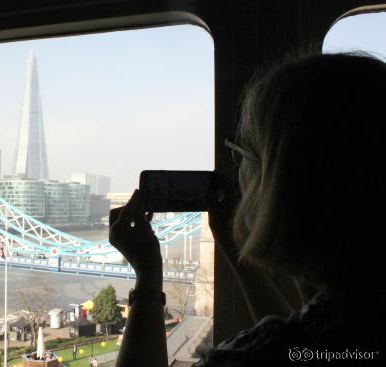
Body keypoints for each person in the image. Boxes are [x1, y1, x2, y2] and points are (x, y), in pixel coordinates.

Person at [110, 52, 386, 367]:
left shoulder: (253, 357)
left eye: (240, 153)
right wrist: (234, 245)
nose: (236, 171)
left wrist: (147, 277)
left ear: (282, 185)